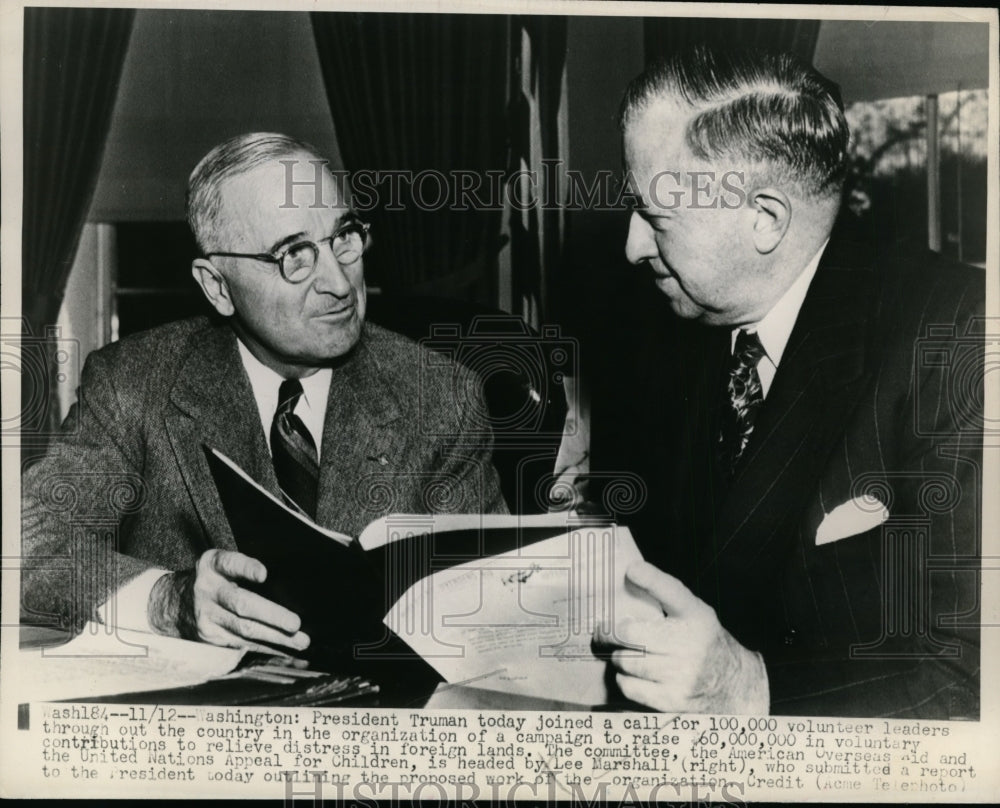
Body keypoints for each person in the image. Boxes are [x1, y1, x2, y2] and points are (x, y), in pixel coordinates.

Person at [582, 47, 982, 717]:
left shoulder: (958, 338)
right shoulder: (668, 333)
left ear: (766, 219)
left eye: (656, 218)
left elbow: (969, 681)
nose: (631, 247)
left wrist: (751, 688)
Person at [21, 132, 506, 656]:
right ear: (218, 287)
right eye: (294, 255)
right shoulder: (134, 385)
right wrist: (168, 600)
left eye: (344, 236)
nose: (340, 283)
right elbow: (26, 545)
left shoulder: (440, 396)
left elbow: (495, 600)